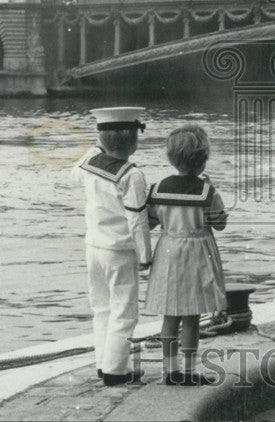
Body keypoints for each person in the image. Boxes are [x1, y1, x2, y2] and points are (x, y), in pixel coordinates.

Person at [73, 107, 152, 386]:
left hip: (93, 246)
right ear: (133, 141)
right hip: (120, 250)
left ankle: (102, 363)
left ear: (101, 137)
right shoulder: (132, 175)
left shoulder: (89, 161)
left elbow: (73, 175)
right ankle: (116, 371)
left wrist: (100, 143)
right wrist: (145, 256)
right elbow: (138, 220)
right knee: (124, 312)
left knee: (102, 308)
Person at [145, 124, 228, 386]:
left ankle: (169, 371)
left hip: (168, 253)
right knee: (191, 316)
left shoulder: (158, 188)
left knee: (170, 316)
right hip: (196, 255)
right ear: (203, 160)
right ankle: (189, 371)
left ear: (171, 158)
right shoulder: (207, 192)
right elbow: (220, 223)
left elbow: (149, 222)